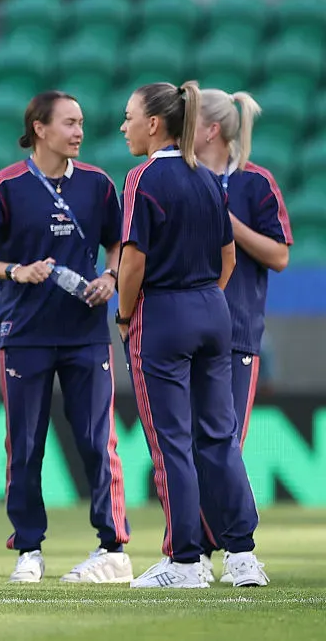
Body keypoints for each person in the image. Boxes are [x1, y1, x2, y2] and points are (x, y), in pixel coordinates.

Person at [0, 91, 132, 584]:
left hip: (85, 334)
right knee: (26, 445)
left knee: (100, 442)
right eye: (69, 123)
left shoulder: (98, 184)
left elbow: (117, 242)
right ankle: (28, 549)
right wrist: (15, 270)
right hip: (25, 333)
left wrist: (112, 278)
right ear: (40, 127)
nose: (79, 131)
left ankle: (113, 547)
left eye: (80, 123)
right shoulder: (4, 185)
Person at [117, 80, 268, 588]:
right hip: (213, 309)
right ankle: (243, 556)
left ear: (154, 123)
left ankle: (186, 561)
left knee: (172, 443)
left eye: (129, 116)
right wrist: (205, 295)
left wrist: (123, 315)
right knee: (219, 436)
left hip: (164, 313)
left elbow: (132, 261)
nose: (124, 126)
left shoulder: (142, 178)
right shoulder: (207, 178)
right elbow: (228, 257)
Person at [192, 89, 291, 583]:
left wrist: (230, 225)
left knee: (223, 443)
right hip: (183, 329)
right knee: (185, 446)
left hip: (236, 332)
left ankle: (235, 551)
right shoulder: (179, 177)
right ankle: (189, 555)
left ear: (211, 129)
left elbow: (278, 255)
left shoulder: (256, 183)